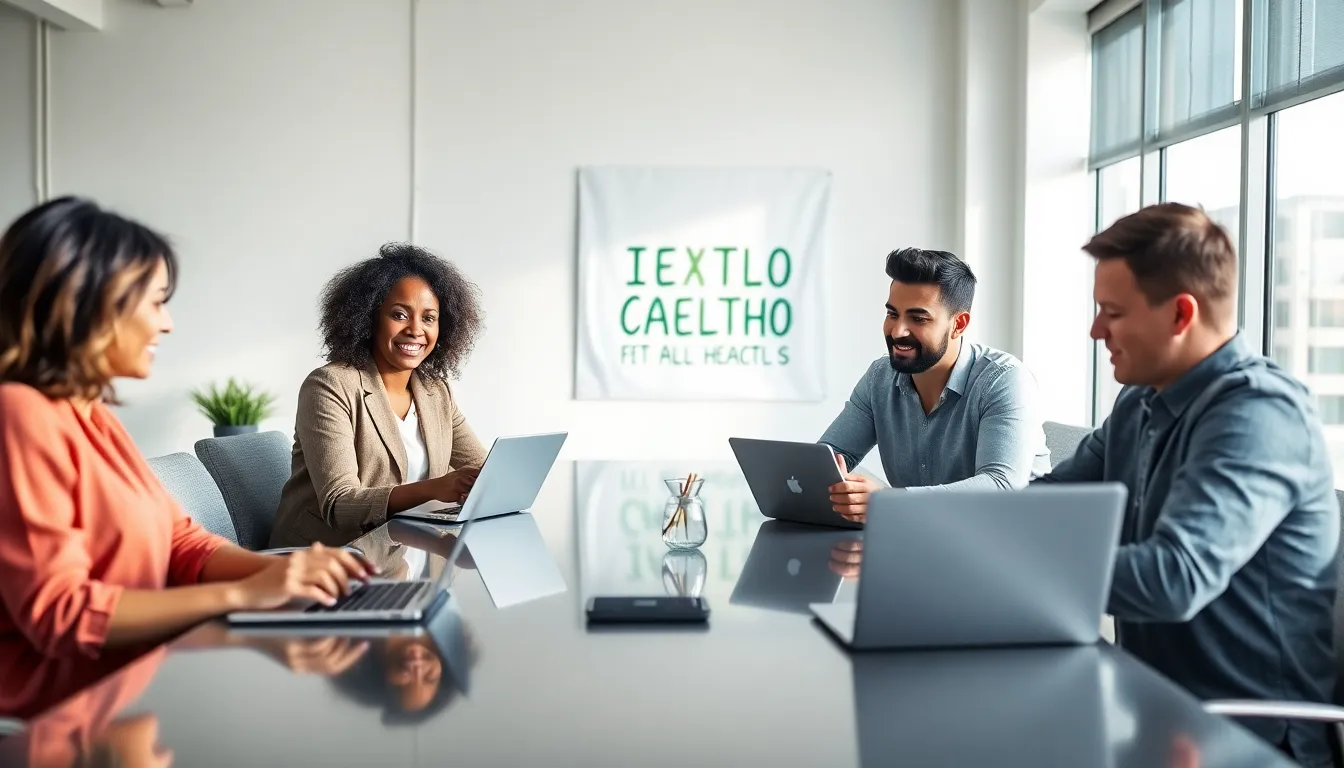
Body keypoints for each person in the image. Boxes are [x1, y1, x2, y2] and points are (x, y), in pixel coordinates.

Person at [0, 197, 373, 718]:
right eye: (155, 302)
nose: (167, 324)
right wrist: (244, 597)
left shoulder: (92, 414)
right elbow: (63, 615)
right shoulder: (19, 415)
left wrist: (289, 575)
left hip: (138, 681)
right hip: (68, 715)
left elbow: (182, 542)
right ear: (91, 303)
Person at [1036, 203, 1337, 768]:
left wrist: (1003, 561)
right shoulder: (1141, 399)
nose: (1095, 330)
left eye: (1112, 312)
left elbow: (1174, 579)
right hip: (1157, 713)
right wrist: (943, 536)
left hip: (1249, 740)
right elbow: (1048, 505)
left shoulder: (1257, 413)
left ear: (1180, 314)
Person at [270, 244, 487, 548]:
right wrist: (434, 488)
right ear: (368, 318)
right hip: (327, 557)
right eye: (399, 315)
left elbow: (483, 470)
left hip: (404, 548)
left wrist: (489, 482)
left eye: (429, 318)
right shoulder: (330, 386)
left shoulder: (436, 392)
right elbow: (340, 505)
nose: (415, 330)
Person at [820, 248, 1049, 521]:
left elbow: (1000, 486)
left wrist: (888, 503)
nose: (898, 331)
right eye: (893, 314)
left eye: (918, 319)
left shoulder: (1004, 380)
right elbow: (829, 459)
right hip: (923, 541)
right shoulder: (879, 378)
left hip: (1011, 544)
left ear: (958, 324)